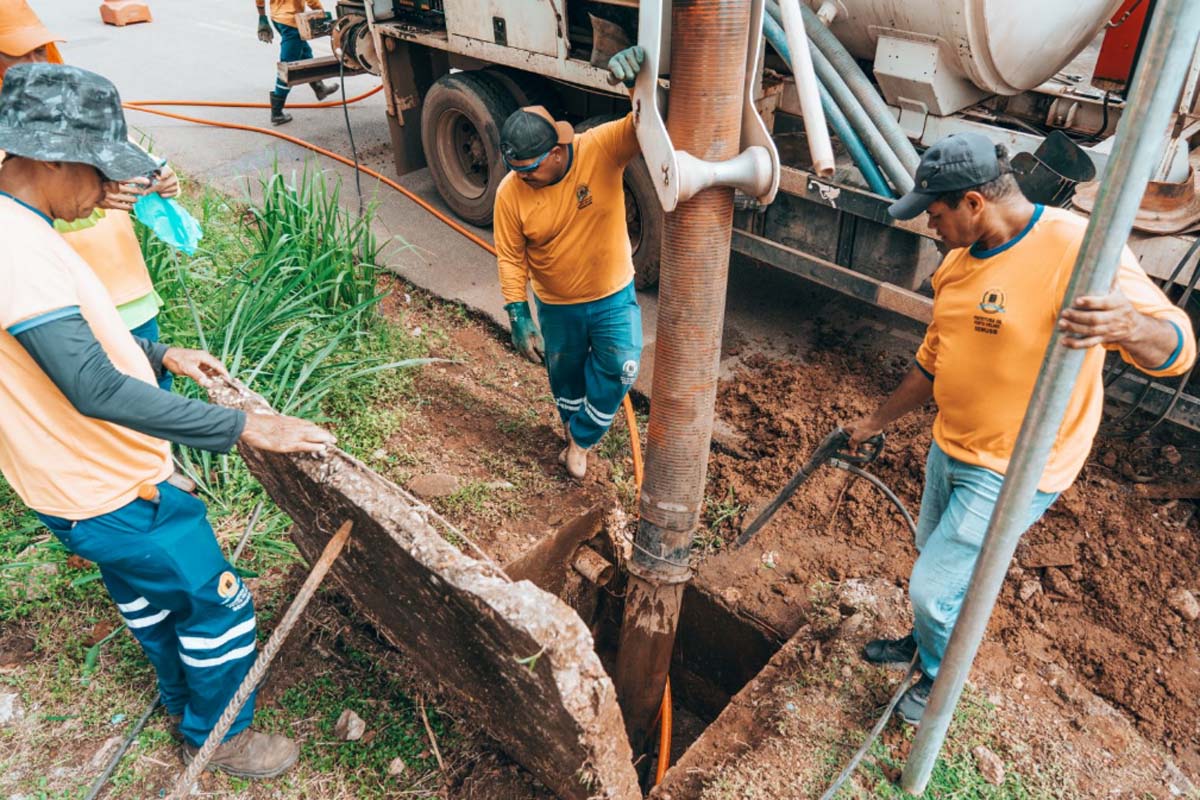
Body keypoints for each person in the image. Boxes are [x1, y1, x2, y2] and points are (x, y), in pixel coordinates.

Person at [0, 63, 338, 777]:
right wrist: (246, 427)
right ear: (53, 157)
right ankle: (219, 736)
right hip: (111, 489)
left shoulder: (19, 228)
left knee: (146, 598)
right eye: (99, 173)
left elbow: (62, 348)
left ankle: (179, 688)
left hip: (71, 487)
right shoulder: (16, 251)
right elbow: (90, 385)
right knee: (219, 603)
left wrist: (158, 352)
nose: (105, 192)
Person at [844, 133, 1196, 724]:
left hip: (1016, 467)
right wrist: (873, 421)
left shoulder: (1074, 247)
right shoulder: (956, 264)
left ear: (974, 204)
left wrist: (1132, 326)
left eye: (935, 214)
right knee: (934, 558)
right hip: (951, 444)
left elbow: (1178, 347)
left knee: (934, 589)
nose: (930, 228)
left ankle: (937, 681)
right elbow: (933, 360)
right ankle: (927, 644)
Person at [0, 0, 183, 390]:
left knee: (150, 385)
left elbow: (137, 159)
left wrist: (164, 178)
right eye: (21, 54)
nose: (39, 61)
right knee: (101, 397)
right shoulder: (11, 135)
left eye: (41, 49)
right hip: (56, 300)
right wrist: (93, 196)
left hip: (127, 285)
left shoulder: (70, 98)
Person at [493, 46, 647, 479]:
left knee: (622, 366)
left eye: (530, 169)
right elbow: (510, 255)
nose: (521, 178)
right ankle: (571, 429)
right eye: (515, 169)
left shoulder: (601, 148)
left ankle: (580, 441)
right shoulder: (510, 193)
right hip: (557, 305)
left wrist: (640, 83)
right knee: (565, 377)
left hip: (612, 294)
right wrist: (517, 311)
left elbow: (650, 125)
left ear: (558, 151)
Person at [255, 0, 336, 125]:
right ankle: (277, 112)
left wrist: (262, 16)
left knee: (305, 53)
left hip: (278, 19)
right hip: (291, 22)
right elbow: (312, 1)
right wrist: (322, 14)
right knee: (288, 67)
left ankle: (319, 88)